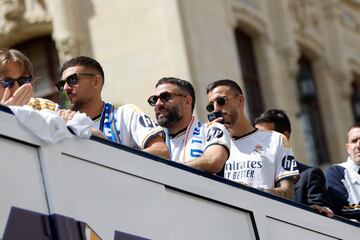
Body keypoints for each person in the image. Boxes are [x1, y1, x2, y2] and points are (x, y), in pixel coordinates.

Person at [58, 56, 169, 159]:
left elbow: (161, 151)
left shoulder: (126, 115)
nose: (66, 88)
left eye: (72, 80)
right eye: (62, 84)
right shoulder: (63, 125)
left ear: (96, 81)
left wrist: (113, 156)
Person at [206, 79, 298, 199]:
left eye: (221, 101)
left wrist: (252, 192)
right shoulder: (211, 146)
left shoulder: (276, 140)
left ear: (240, 100)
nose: (216, 108)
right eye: (211, 106)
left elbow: (287, 192)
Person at [254, 109, 334, 217]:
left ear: (284, 137)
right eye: (256, 136)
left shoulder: (309, 175)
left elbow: (321, 216)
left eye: (266, 137)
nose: (259, 142)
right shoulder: (251, 171)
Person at [148, 77, 230, 175]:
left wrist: (173, 171)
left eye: (165, 97)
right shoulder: (154, 140)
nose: (158, 104)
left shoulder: (210, 129)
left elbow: (213, 160)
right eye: (154, 99)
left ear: (187, 101)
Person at [325, 122, 360, 222]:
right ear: (348, 148)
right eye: (354, 141)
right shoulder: (336, 172)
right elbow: (339, 209)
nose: (358, 145)